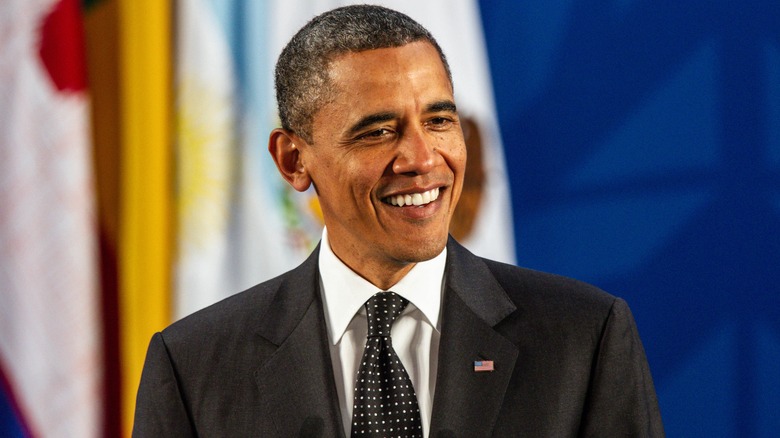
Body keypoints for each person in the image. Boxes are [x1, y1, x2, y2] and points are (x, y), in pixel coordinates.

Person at [133, 5, 664, 437]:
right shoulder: (193, 366)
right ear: (294, 161)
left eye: (438, 120)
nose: (423, 158)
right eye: (377, 131)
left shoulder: (583, 339)